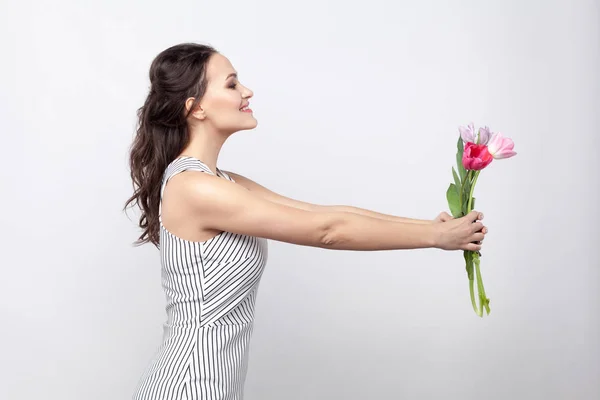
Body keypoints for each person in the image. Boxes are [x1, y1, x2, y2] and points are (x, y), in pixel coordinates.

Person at [124, 42, 487, 400]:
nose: (246, 91)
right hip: (188, 386)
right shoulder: (194, 188)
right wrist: (435, 238)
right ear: (196, 108)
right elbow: (327, 232)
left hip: (211, 385)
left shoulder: (221, 181)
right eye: (232, 84)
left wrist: (433, 228)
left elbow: (323, 214)